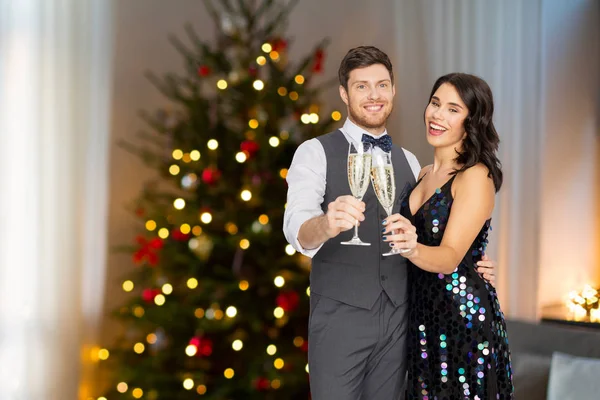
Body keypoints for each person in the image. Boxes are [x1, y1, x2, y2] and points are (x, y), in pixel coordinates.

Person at [283, 46, 497, 399]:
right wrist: (327, 223)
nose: (373, 96)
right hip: (340, 322)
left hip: (404, 323)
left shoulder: (412, 163)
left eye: (382, 85)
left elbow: (444, 230)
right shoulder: (314, 152)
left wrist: (475, 263)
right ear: (343, 93)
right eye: (361, 86)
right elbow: (297, 231)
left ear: (393, 91)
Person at [383, 72, 514, 398]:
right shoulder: (423, 173)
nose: (438, 114)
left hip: (460, 320)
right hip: (421, 316)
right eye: (435, 103)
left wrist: (410, 247)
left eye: (453, 109)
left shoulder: (475, 175)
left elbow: (451, 255)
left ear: (472, 121)